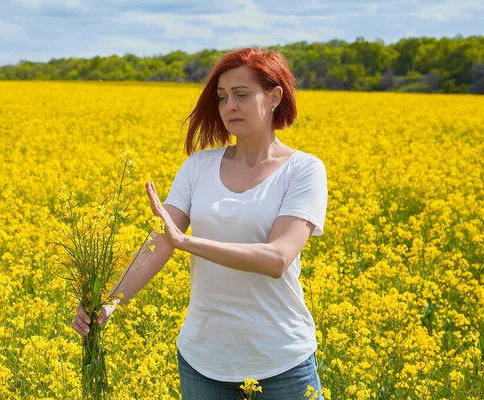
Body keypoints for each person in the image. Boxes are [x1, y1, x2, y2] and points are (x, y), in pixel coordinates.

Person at [71, 47, 328, 400]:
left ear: (274, 97)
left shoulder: (304, 170)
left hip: (281, 362)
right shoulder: (198, 167)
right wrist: (109, 301)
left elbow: (277, 258)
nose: (229, 107)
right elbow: (160, 242)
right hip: (203, 362)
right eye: (222, 97)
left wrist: (188, 243)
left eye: (241, 95)